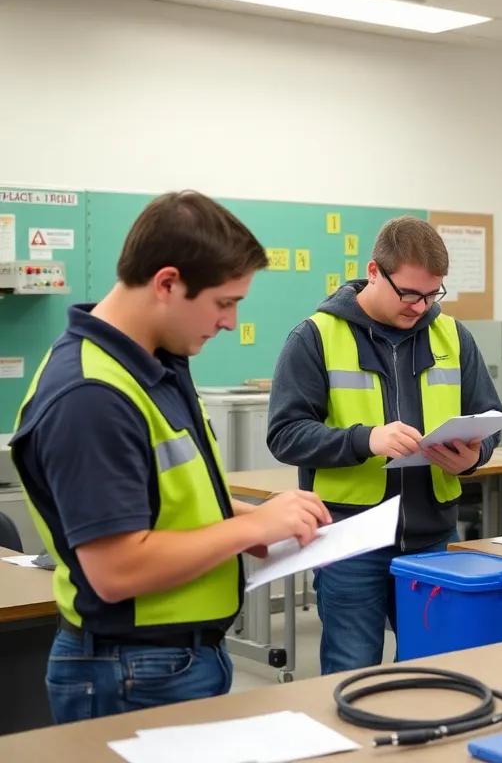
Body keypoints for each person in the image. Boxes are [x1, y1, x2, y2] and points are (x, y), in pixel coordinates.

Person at [9, 191, 332, 724]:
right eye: (224, 302)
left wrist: (253, 520)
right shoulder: (91, 395)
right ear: (166, 283)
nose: (229, 322)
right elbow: (116, 568)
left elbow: (164, 496)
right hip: (131, 668)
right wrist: (245, 529)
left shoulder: (157, 361)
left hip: (174, 659)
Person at [267, 216, 502, 675]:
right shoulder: (316, 336)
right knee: (353, 671)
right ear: (374, 271)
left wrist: (476, 456)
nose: (420, 306)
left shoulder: (453, 337)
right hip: (350, 541)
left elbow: (489, 421)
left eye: (432, 294)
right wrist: (365, 439)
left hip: (433, 537)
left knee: (435, 671)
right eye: (409, 294)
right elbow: (284, 433)